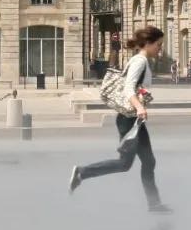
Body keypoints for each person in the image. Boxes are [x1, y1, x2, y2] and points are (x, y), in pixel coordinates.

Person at [69, 26, 171, 214]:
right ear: (148, 44)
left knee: (148, 162)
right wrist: (140, 106)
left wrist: (141, 100)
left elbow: (135, 87)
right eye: (158, 44)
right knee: (126, 163)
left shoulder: (142, 61)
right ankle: (82, 172)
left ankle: (154, 204)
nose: (160, 48)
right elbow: (128, 88)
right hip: (129, 118)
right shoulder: (139, 61)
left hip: (133, 118)